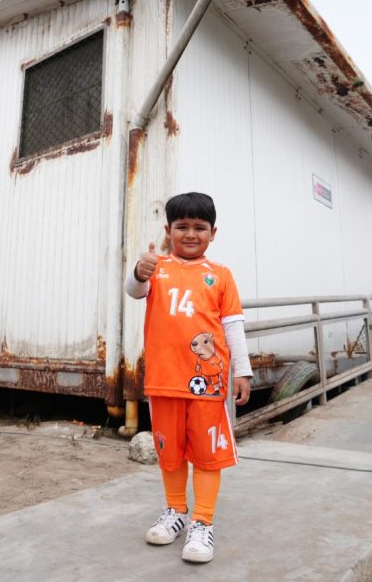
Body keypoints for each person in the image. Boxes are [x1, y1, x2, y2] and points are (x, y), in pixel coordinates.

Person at [124, 192, 253, 564]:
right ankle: (176, 512)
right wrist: (138, 271)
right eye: (182, 227)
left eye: (200, 227)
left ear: (214, 233)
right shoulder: (156, 268)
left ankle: (202, 522)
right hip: (164, 381)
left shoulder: (221, 276)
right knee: (171, 453)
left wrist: (242, 370)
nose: (191, 234)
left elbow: (233, 327)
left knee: (207, 457)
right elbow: (135, 292)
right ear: (168, 231)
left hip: (208, 385)